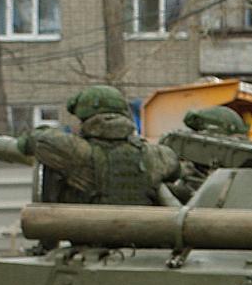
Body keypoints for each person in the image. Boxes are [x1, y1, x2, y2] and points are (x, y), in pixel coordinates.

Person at [22, 84, 180, 206]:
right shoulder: (159, 155)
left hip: (89, 239)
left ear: (84, 117)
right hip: (146, 240)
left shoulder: (74, 151)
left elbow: (29, 143)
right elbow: (176, 173)